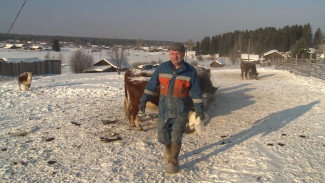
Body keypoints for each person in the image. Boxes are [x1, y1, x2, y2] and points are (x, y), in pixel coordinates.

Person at [138, 43, 205, 174]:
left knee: (176, 137)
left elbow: (196, 93)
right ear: (169, 53)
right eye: (172, 53)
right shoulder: (162, 68)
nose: (175, 56)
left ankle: (173, 161)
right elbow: (151, 85)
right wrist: (143, 99)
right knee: (162, 136)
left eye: (178, 53)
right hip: (164, 110)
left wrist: (199, 110)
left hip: (181, 111)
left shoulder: (190, 71)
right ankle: (168, 150)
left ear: (183, 54)